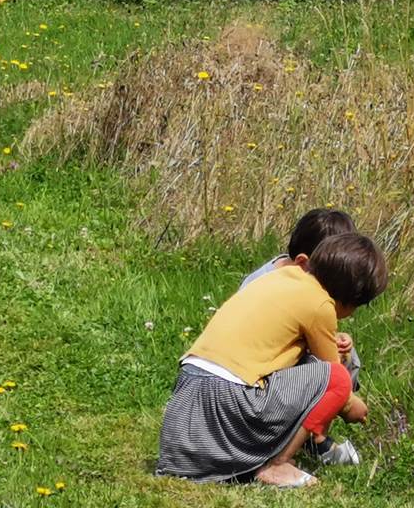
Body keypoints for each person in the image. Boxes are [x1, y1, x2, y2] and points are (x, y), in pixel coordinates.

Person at [157, 233, 387, 488]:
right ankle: (278, 465)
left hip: (187, 396)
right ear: (350, 299)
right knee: (337, 378)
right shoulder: (320, 305)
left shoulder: (279, 277)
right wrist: (351, 406)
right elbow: (332, 376)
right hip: (227, 399)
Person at [240, 208, 363, 465]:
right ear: (306, 263)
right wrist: (350, 404)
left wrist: (334, 337)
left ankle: (312, 434)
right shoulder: (274, 284)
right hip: (257, 377)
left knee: (344, 354)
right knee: (332, 369)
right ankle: (311, 441)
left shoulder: (286, 274)